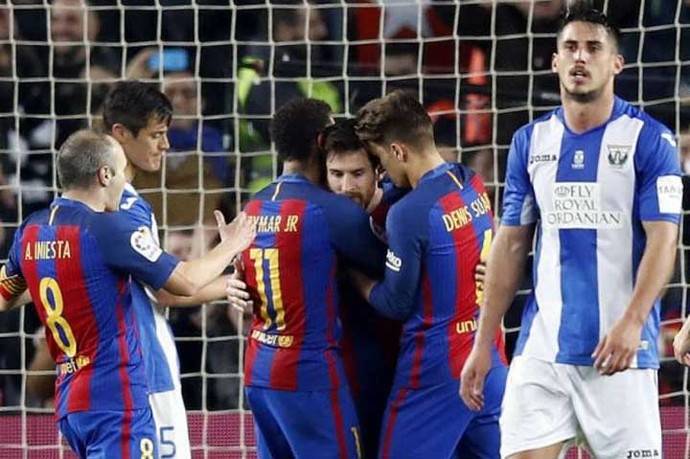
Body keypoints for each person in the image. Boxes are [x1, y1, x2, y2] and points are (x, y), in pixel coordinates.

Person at [460, 5, 682, 459]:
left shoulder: (650, 140)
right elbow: (511, 243)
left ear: (617, 63)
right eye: (570, 48)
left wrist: (633, 322)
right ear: (556, 61)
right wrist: (484, 342)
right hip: (542, 352)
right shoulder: (530, 141)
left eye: (594, 48)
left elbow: (663, 240)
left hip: (619, 353)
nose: (580, 57)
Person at [0, 130, 254, 457]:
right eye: (122, 172)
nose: (125, 184)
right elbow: (184, 282)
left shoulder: (31, 230)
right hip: (115, 402)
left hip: (71, 401)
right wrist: (232, 245)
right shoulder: (107, 228)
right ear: (105, 175)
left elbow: (5, 296)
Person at [350, 90, 506, 458]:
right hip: (490, 360)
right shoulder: (472, 183)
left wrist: (353, 275)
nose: (382, 172)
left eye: (380, 159)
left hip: (436, 374)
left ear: (399, 151)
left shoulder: (408, 215)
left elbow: (395, 302)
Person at [239, 98, 385, 459]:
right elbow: (394, 271)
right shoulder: (328, 210)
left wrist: (233, 286)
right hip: (308, 374)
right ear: (322, 143)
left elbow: (248, 278)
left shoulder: (253, 206)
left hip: (258, 369)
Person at [103, 81, 234, 458]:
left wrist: (227, 286)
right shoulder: (126, 207)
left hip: (106, 372)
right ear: (121, 134)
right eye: (157, 135)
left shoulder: (75, 206)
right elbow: (169, 289)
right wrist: (233, 249)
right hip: (143, 366)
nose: (166, 145)